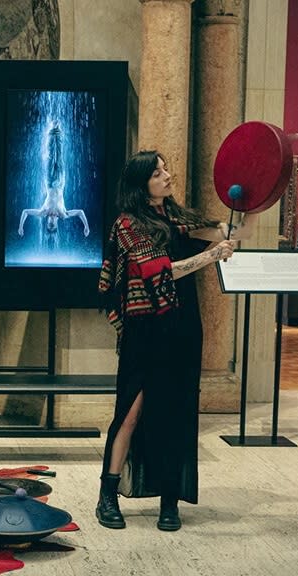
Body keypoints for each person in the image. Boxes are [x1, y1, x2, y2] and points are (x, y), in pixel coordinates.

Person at [96, 150, 254, 531]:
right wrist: (211, 257)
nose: (167, 175)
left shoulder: (179, 220)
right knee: (131, 413)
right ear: (141, 184)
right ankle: (107, 495)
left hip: (182, 327)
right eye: (157, 172)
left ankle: (170, 500)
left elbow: (234, 231)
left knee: (175, 412)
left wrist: (255, 200)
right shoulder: (128, 224)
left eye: (165, 169)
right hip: (145, 330)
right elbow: (157, 272)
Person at [17, 124, 90, 237]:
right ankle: (58, 131)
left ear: (47, 222)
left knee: (51, 156)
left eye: (49, 225)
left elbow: (25, 212)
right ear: (56, 224)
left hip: (49, 182)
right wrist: (86, 226)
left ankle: (52, 131)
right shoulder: (63, 214)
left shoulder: (43, 212)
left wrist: (21, 226)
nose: (51, 223)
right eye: (53, 225)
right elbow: (80, 212)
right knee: (59, 156)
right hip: (60, 182)